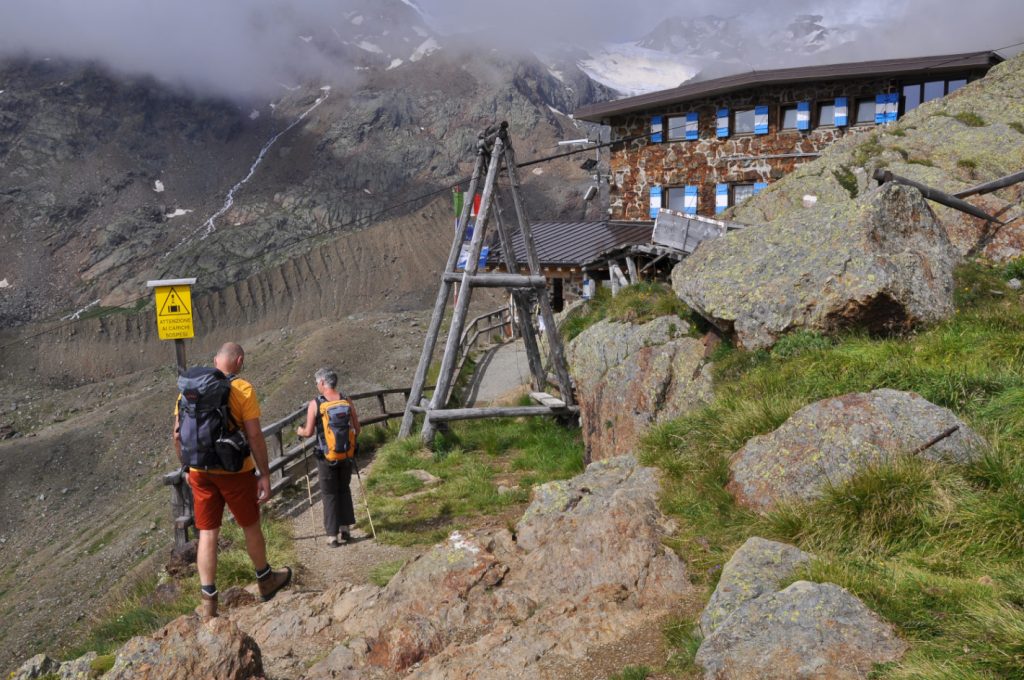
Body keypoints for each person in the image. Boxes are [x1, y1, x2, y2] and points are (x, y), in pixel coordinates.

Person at [173, 342, 291, 620]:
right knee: (250, 525)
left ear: (216, 361)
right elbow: (255, 435)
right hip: (235, 472)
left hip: (199, 471)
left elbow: (177, 434)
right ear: (239, 361)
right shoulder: (242, 389)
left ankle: (208, 602)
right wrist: (265, 474)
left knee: (207, 533)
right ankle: (265, 580)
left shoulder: (187, 391)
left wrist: (186, 467)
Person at [296, 368, 361, 547]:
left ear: (323, 383)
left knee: (329, 493)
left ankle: (332, 535)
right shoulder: (346, 399)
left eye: (317, 382)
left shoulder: (315, 403)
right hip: (345, 454)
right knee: (343, 489)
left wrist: (300, 431)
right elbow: (357, 428)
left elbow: (309, 432)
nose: (317, 385)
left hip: (326, 456)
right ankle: (345, 529)